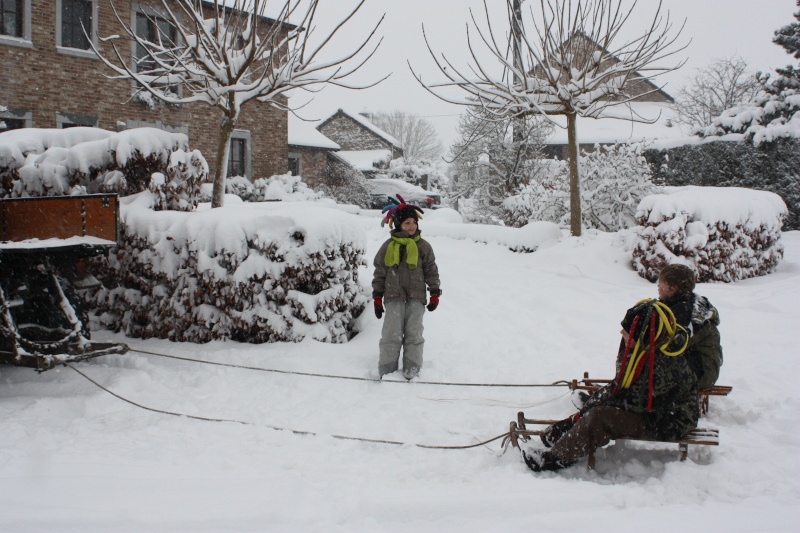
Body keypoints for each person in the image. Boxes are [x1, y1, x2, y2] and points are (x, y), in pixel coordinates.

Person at [523, 264, 702, 472]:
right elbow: (623, 390)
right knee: (605, 399)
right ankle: (566, 431)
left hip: (668, 421)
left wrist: (599, 407)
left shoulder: (659, 362)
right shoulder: (652, 350)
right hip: (655, 410)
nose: (623, 337)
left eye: (627, 334)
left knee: (602, 418)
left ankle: (556, 459)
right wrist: (575, 418)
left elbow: (633, 400)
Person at [372, 195, 441, 380]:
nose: (411, 226)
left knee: (414, 335)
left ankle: (412, 369)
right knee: (391, 335)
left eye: (414, 222)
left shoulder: (423, 246)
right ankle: (387, 370)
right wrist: (377, 297)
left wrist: (434, 292)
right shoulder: (388, 247)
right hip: (393, 296)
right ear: (398, 225)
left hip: (416, 297)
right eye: (407, 223)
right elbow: (380, 272)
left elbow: (431, 270)